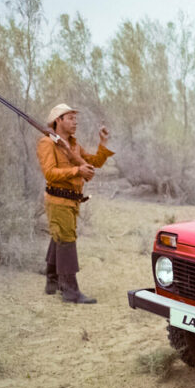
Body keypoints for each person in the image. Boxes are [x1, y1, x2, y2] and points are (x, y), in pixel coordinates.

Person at [38, 103, 114, 304]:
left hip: (71, 200)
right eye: (70, 118)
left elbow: (94, 162)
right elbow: (49, 173)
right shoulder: (47, 143)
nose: (75, 122)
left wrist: (103, 142)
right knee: (67, 241)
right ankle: (70, 291)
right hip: (58, 200)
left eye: (75, 118)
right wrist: (76, 171)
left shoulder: (74, 145)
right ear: (58, 121)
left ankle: (52, 282)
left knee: (59, 237)